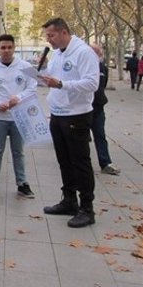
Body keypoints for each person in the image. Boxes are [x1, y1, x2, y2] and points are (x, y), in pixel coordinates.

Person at [39, 18, 100, 228]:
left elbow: (92, 82)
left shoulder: (84, 52)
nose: (49, 40)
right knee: (64, 160)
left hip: (76, 115)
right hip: (57, 114)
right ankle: (69, 200)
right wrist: (42, 74)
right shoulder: (57, 54)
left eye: (51, 35)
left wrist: (62, 84)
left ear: (64, 32)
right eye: (47, 36)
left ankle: (87, 208)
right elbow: (54, 78)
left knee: (80, 162)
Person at [0, 34, 37, 198]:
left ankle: (22, 183)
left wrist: (19, 98)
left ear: (14, 48)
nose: (6, 50)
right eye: (3, 47)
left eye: (9, 47)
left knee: (18, 151)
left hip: (19, 117)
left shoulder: (25, 67)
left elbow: (33, 87)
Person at [89, 45, 120, 175]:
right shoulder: (84, 67)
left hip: (98, 108)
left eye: (99, 53)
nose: (99, 56)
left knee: (100, 135)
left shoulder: (103, 69)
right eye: (96, 53)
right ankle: (78, 162)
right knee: (80, 138)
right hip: (83, 108)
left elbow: (102, 86)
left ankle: (105, 162)